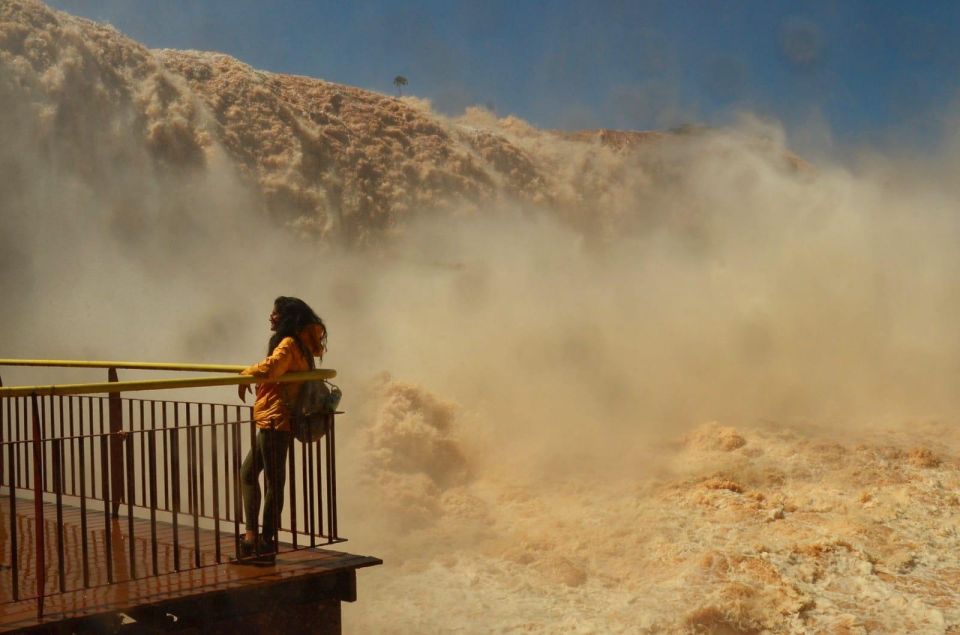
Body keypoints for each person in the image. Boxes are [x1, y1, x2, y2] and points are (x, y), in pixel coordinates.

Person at [237, 296, 327, 562]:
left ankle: (262, 541)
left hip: (277, 418)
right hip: (275, 418)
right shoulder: (301, 346)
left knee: (268, 479)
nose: (271, 317)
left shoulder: (289, 344)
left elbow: (272, 368)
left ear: (286, 318)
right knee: (254, 474)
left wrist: (247, 373)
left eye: (275, 313)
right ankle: (257, 537)